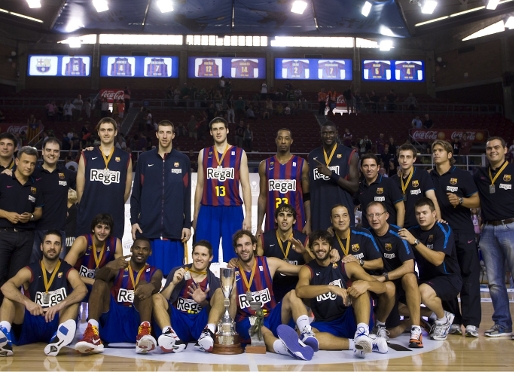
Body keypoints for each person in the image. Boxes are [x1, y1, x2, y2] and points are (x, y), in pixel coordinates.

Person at [196, 230, 318, 361]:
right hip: (247, 320)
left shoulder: (269, 263)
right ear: (235, 250)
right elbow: (230, 315)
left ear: (254, 246)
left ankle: (306, 332)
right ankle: (287, 349)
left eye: (247, 244)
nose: (244, 249)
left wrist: (305, 253)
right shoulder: (231, 273)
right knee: (264, 331)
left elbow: (305, 270)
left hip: (271, 315)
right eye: (240, 245)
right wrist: (233, 293)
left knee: (292, 294)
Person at [296, 230, 391, 358]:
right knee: (304, 336)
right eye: (316, 244)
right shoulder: (307, 269)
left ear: (330, 247)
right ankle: (360, 344)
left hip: (350, 318)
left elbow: (382, 287)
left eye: (324, 244)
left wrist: (366, 284)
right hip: (327, 323)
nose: (320, 248)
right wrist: (330, 288)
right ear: (311, 248)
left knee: (359, 288)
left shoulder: (345, 265)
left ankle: (362, 334)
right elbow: (300, 291)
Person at [0, 230, 87, 356]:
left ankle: (58, 338)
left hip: (55, 320)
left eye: (56, 244)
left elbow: (82, 289)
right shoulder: (30, 269)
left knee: (74, 303)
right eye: (48, 243)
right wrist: (27, 302)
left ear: (61, 248)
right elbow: (6, 287)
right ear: (41, 246)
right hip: (31, 320)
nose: (52, 247)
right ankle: (4, 337)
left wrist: (59, 305)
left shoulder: (67, 269)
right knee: (9, 299)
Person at [429, 139, 481, 337]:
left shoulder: (463, 175)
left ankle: (471, 322)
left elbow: (477, 201)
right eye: (434, 150)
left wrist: (460, 200)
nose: (436, 153)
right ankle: (453, 319)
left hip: (463, 232)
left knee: (469, 277)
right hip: (442, 235)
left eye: (440, 150)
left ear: (450, 154)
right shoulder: (429, 177)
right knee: (447, 278)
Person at [75, 237, 163, 354]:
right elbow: (98, 278)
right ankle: (92, 332)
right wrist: (109, 266)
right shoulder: (119, 266)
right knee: (100, 283)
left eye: (145, 249)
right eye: (137, 248)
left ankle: (144, 333)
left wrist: (150, 286)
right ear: (131, 249)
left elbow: (156, 283)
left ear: (150, 252)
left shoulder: (154, 271)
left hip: (135, 319)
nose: (140, 252)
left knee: (144, 286)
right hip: (113, 318)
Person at [131, 120, 191, 274]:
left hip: (174, 232)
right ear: (157, 134)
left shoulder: (183, 160)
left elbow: (186, 195)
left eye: (168, 132)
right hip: (148, 232)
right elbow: (136, 192)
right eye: (162, 132)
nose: (165, 136)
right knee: (148, 281)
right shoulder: (145, 159)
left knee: (174, 282)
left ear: (173, 135)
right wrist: (134, 221)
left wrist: (186, 225)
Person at [398, 198, 462, 341]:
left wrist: (414, 241)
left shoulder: (443, 229)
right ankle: (435, 315)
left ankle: (442, 320)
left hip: (449, 278)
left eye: (425, 213)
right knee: (399, 306)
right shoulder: (413, 231)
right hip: (426, 279)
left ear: (434, 214)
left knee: (423, 292)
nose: (421, 216)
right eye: (418, 213)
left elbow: (437, 259)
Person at [193, 117, 252, 263]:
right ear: (211, 132)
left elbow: (246, 185)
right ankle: (205, 285)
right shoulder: (203, 153)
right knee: (204, 254)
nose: (218, 132)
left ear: (227, 130)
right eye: (214, 129)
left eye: (221, 128)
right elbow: (199, 185)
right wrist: (196, 213)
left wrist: (249, 214)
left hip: (232, 209)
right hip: (208, 209)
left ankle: (233, 286)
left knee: (234, 257)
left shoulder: (239, 153)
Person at [366, 202, 423, 348]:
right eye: (371, 215)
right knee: (392, 330)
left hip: (399, 282)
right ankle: (384, 325)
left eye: (378, 214)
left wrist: (384, 276)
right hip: (383, 286)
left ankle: (416, 330)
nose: (374, 219)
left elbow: (409, 266)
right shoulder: (366, 234)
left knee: (410, 276)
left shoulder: (398, 233)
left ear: (386, 216)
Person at [473, 137, 514, 337]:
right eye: (489, 148)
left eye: (497, 147)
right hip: (488, 230)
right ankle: (503, 324)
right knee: (495, 282)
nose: (493, 151)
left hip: (511, 226)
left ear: (505, 150)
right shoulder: (480, 174)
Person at [152, 240, 220, 353]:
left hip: (199, 323)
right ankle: (170, 336)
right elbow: (161, 300)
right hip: (178, 322)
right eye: (196, 254)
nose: (199, 258)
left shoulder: (215, 281)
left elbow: (215, 308)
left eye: (204, 255)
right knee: (156, 297)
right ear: (192, 255)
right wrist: (173, 284)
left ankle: (208, 332)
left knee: (220, 293)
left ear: (211, 258)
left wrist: (202, 302)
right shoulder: (178, 272)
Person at [76, 117, 132, 240]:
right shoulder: (86, 155)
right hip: (89, 215)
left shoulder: (125, 157)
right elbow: (79, 190)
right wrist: (86, 207)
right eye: (103, 130)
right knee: (86, 256)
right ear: (98, 132)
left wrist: (114, 204)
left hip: (114, 216)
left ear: (115, 132)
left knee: (112, 256)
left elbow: (126, 191)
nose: (106, 133)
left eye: (109, 130)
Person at [0, 146, 43, 306]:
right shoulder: (3, 179)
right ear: (16, 161)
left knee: (16, 281)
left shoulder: (36, 185)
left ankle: (8, 323)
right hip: (3, 234)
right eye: (25, 162)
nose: (28, 166)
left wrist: (30, 217)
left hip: (25, 237)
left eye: (32, 163)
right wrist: (7, 214)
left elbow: (39, 211)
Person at [30, 138, 76, 264]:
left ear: (60, 153)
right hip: (35, 231)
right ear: (42, 152)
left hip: (58, 231)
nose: (52, 153)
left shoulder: (67, 174)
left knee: (57, 272)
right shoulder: (32, 173)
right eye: (49, 150)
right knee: (34, 271)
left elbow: (84, 185)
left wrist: (86, 154)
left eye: (55, 151)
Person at [257, 129, 310, 235]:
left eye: (286, 138)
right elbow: (262, 197)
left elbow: (307, 196)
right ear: (276, 140)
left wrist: (308, 222)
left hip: (297, 221)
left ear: (291, 141)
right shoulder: (265, 165)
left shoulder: (301, 164)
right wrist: (259, 226)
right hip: (272, 221)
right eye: (280, 138)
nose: (283, 141)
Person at [308, 121, 359, 231]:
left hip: (342, 212)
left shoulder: (349, 154)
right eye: (325, 133)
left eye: (331, 133)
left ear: (336, 133)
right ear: (320, 134)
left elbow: (355, 187)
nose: (328, 136)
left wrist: (331, 174)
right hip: (319, 211)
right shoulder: (313, 155)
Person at [258, 203, 311, 302]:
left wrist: (304, 252)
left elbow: (313, 267)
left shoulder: (303, 239)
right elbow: (256, 266)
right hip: (271, 289)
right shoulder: (264, 238)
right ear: (275, 219)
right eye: (281, 215)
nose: (285, 218)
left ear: (294, 220)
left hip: (296, 289)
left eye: (289, 215)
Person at [64, 214, 122, 295]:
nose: (102, 231)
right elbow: (65, 269)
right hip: (79, 282)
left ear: (110, 231)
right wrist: (92, 281)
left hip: (99, 284)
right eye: (99, 227)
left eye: (106, 228)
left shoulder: (115, 243)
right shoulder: (82, 241)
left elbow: (120, 273)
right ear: (93, 229)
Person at [390, 144, 441, 228]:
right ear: (398, 159)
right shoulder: (393, 180)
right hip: (398, 225)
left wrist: (438, 220)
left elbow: (432, 198)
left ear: (414, 159)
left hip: (419, 225)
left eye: (408, 157)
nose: (404, 160)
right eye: (402, 157)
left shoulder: (423, 175)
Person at [355, 153, 405, 229]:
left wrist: (398, 230)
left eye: (372, 165)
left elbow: (400, 208)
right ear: (361, 168)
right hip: (368, 234)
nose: (369, 169)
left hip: (388, 233)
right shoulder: (360, 186)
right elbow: (353, 205)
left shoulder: (389, 183)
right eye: (365, 166)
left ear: (378, 167)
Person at [329, 204, 383, 272]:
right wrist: (329, 260)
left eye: (345, 215)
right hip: (341, 281)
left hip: (366, 279)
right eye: (336, 216)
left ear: (349, 218)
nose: (341, 220)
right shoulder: (328, 240)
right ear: (331, 219)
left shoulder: (363, 235)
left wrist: (359, 262)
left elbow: (380, 263)